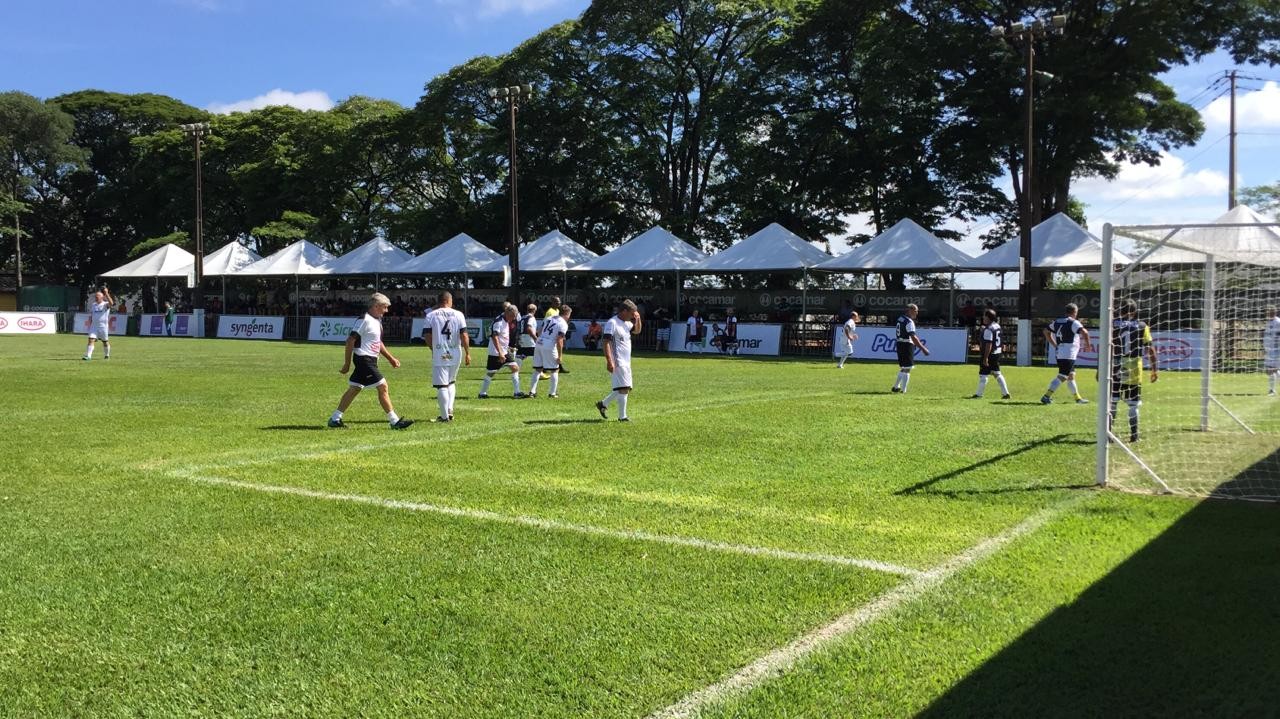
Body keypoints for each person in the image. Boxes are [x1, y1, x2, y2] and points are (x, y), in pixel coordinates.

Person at [327, 293, 414, 430]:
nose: (386, 311)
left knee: (355, 388)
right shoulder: (364, 320)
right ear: (376, 306)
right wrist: (347, 363)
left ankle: (335, 419)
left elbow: (378, 343)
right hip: (364, 359)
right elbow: (350, 340)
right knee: (383, 386)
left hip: (370, 360)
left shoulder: (377, 321)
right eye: (384, 307)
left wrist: (390, 358)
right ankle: (394, 421)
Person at [1110, 300, 1158, 443]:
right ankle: (1134, 435)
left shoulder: (1112, 324)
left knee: (1112, 403)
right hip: (1134, 367)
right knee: (1133, 403)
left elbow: (1107, 347)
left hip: (1115, 366)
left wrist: (1100, 369)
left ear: (1120, 311)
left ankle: (1108, 434)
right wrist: (1154, 369)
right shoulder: (1143, 326)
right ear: (1135, 312)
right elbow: (1150, 349)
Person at [423, 291, 471, 422]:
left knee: (442, 385)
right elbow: (464, 335)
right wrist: (468, 353)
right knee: (451, 382)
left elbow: (426, 335)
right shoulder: (459, 314)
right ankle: (450, 409)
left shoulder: (431, 315)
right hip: (456, 352)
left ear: (439, 301)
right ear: (449, 301)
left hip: (440, 352)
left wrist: (433, 348)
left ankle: (444, 417)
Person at [596, 299, 642, 421]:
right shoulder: (612, 323)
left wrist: (637, 319)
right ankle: (622, 417)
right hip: (618, 360)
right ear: (624, 311)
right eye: (632, 313)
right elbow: (605, 342)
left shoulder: (627, 323)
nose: (633, 316)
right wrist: (609, 361)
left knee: (624, 387)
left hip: (626, 361)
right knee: (624, 388)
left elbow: (637, 331)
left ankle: (603, 404)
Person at [1041, 303, 1093, 405]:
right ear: (1075, 312)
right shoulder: (1073, 322)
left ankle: (1078, 399)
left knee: (1071, 375)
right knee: (1063, 376)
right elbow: (1085, 332)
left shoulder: (1057, 321)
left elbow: (1045, 331)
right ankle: (1046, 396)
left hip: (1060, 351)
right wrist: (1088, 345)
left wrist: (1054, 344)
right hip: (1068, 353)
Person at [479, 303, 524, 399]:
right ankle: (482, 393)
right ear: (507, 313)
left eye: (514, 317)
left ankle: (517, 392)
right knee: (491, 372)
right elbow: (494, 337)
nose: (512, 319)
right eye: (512, 317)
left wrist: (507, 347)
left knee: (515, 367)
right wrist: (500, 353)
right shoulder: (498, 322)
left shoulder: (506, 319)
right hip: (496, 353)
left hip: (505, 351)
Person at [530, 305, 572, 398]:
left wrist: (540, 340)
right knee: (555, 370)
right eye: (569, 314)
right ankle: (552, 393)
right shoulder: (563, 323)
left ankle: (532, 392)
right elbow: (559, 340)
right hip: (549, 343)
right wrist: (560, 355)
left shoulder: (548, 318)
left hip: (539, 342)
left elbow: (540, 330)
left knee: (537, 369)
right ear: (567, 314)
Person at [971, 308, 1011, 400]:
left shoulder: (988, 329)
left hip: (989, 354)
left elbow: (988, 344)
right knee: (997, 373)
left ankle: (978, 394)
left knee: (983, 374)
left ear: (988, 317)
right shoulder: (997, 326)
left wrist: (985, 358)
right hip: (997, 353)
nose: (983, 318)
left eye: (984, 316)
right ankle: (1006, 393)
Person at [891, 304, 930, 393]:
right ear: (910, 310)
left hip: (899, 343)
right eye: (915, 311)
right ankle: (904, 390)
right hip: (907, 344)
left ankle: (896, 386)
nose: (917, 313)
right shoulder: (909, 322)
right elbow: (913, 337)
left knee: (904, 367)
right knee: (908, 368)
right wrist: (923, 348)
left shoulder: (900, 318)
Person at [83, 285, 114, 360]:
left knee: (105, 342)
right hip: (94, 326)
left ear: (102, 297)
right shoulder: (94, 305)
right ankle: (88, 356)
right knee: (91, 339)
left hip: (103, 327)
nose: (96, 297)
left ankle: (107, 355)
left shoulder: (105, 304)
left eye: (98, 296)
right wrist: (89, 324)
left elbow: (111, 303)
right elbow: (92, 315)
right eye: (95, 296)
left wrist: (106, 293)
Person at [517, 303, 538, 389]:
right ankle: (540, 371)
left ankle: (516, 372)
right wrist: (535, 338)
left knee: (520, 356)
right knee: (537, 354)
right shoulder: (531, 318)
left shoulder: (523, 317)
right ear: (534, 311)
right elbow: (529, 328)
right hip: (529, 339)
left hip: (522, 338)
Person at [1265, 306, 1280, 395]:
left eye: (1270, 311)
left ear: (1274, 312)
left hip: (1276, 349)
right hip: (1269, 349)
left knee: (1271, 369)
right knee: (1272, 370)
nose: (1269, 313)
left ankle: (1272, 390)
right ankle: (1272, 390)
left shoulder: (1278, 322)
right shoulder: (1268, 322)